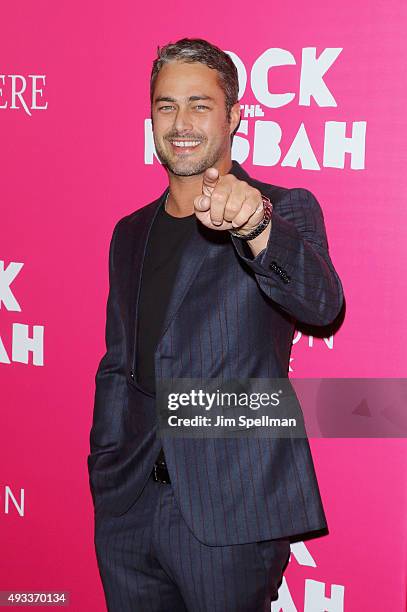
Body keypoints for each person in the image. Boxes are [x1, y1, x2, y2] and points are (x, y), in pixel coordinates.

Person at [87, 37, 344, 611]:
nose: (181, 122)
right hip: (128, 507)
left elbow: (322, 305)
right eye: (166, 105)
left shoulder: (281, 206)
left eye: (200, 105)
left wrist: (256, 228)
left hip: (231, 509)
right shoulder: (129, 232)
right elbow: (117, 364)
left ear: (233, 115)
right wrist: (105, 468)